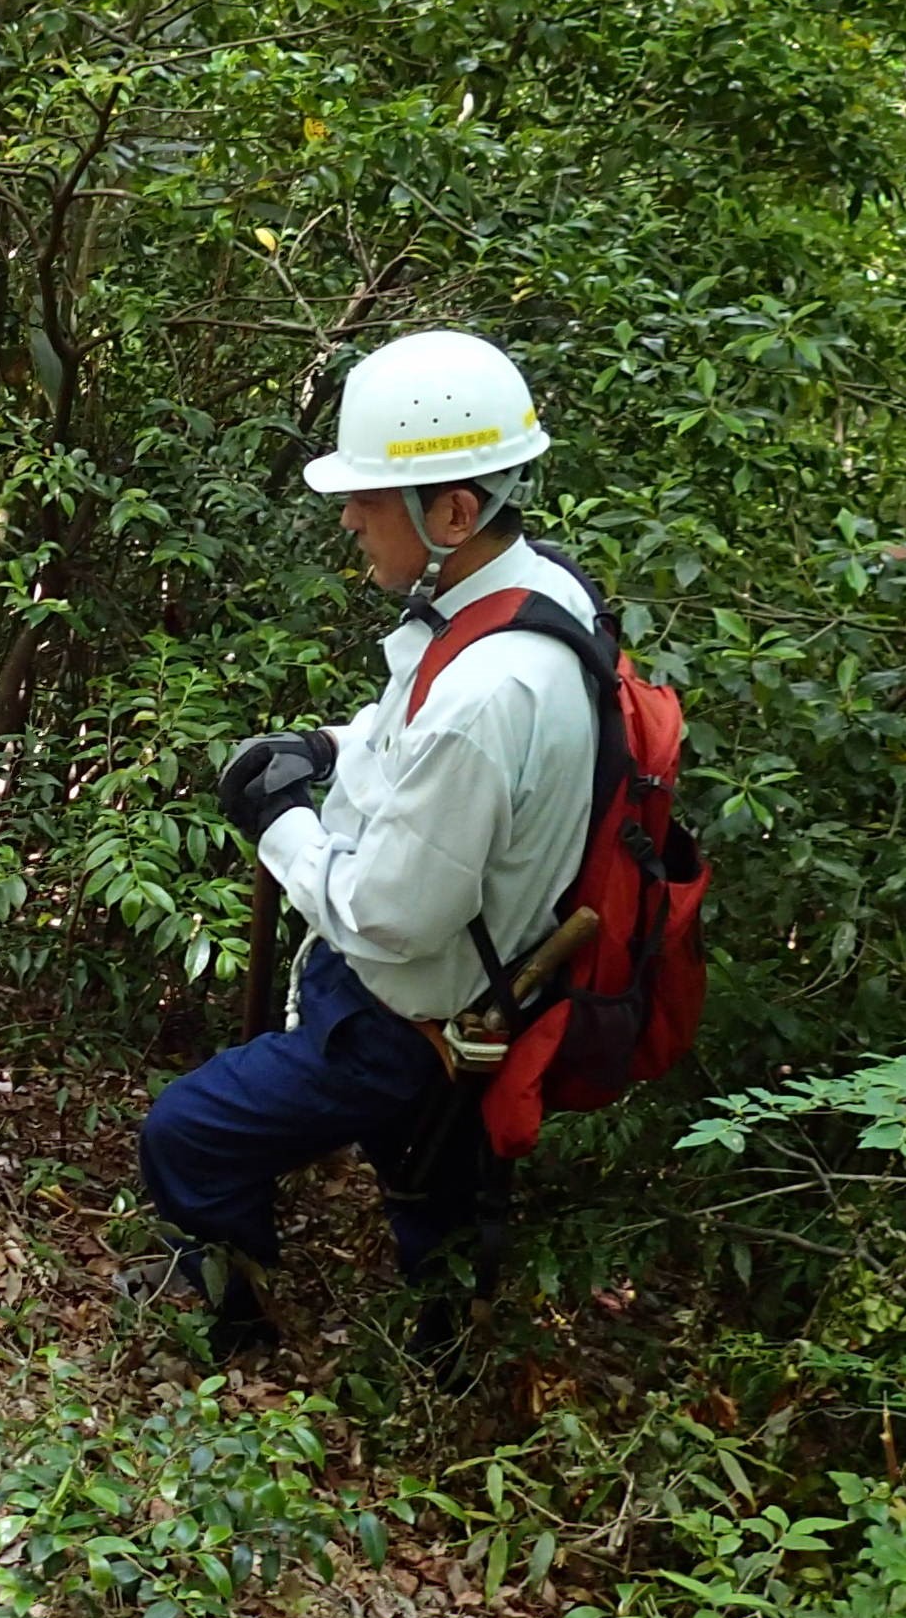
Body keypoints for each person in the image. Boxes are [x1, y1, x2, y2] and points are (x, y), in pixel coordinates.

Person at [130, 331, 601, 1355]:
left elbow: (389, 918)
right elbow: (420, 739)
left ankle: (234, 1325)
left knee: (189, 1133)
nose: (347, 517)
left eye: (367, 499)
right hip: (488, 991)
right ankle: (445, 1360)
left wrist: (281, 826)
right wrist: (326, 747)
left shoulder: (487, 690)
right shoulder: (535, 599)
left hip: (404, 1014)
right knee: (430, 1192)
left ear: (452, 512)